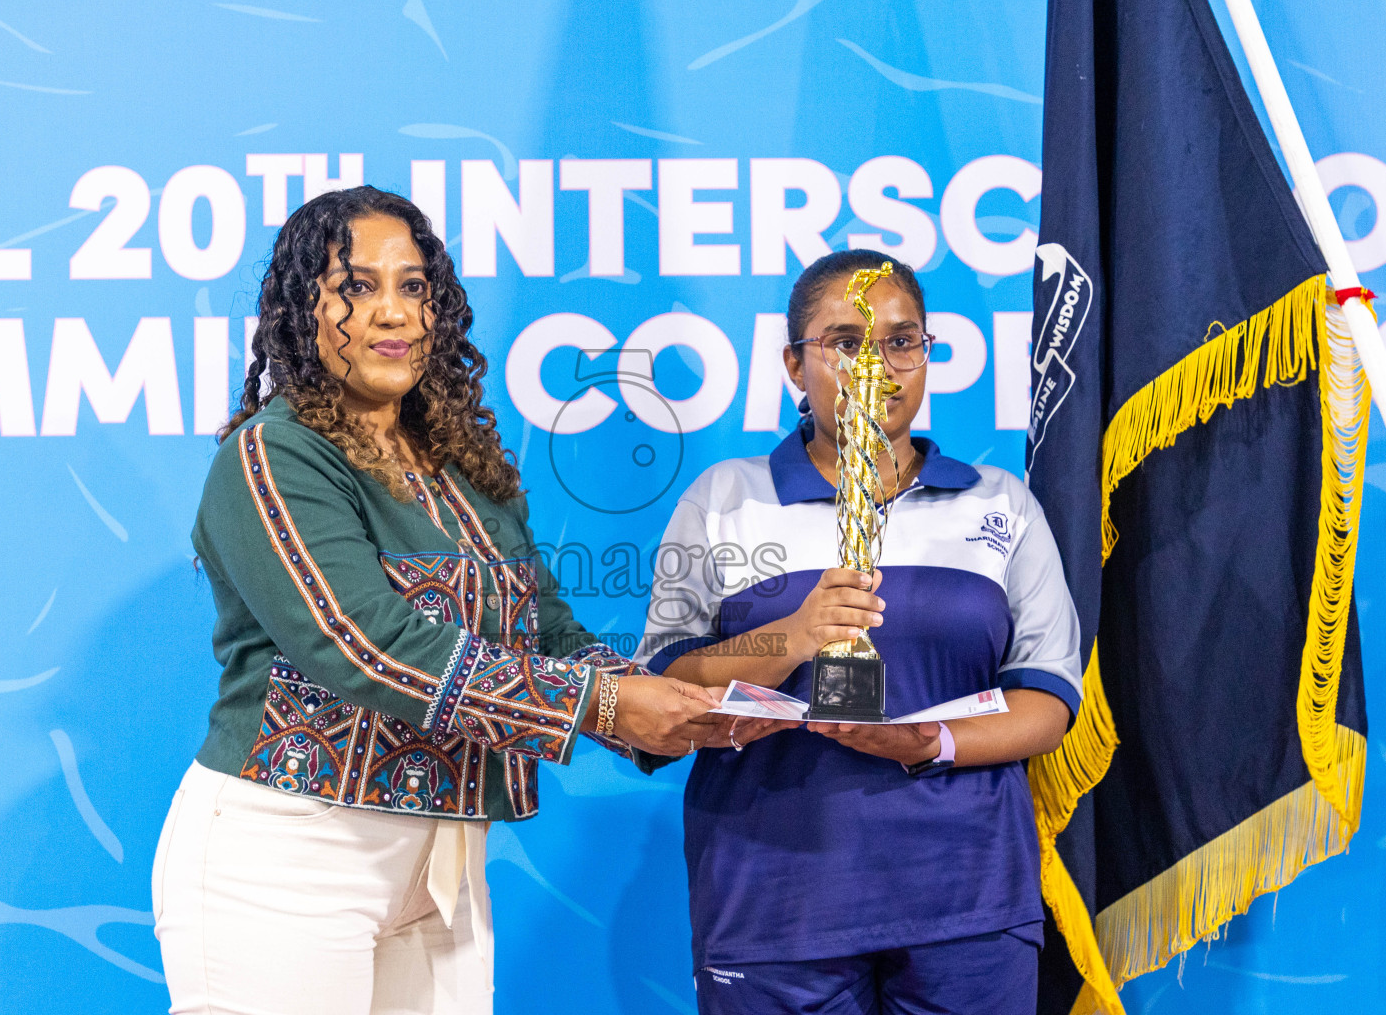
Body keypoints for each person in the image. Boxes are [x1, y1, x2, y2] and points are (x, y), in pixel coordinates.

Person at [152, 186, 719, 1015]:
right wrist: (605, 705)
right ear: (300, 308)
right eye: (357, 287)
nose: (393, 313)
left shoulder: (463, 464)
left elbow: (547, 629)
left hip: (442, 866)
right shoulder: (274, 454)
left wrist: (663, 705)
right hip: (289, 852)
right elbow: (364, 645)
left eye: (412, 287)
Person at [636, 248, 1081, 1015]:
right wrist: (794, 635)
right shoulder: (724, 500)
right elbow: (664, 688)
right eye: (846, 342)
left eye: (903, 342)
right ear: (792, 364)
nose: (879, 366)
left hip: (965, 899)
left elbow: (1047, 698)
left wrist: (927, 744)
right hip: (774, 896)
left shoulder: (998, 503)